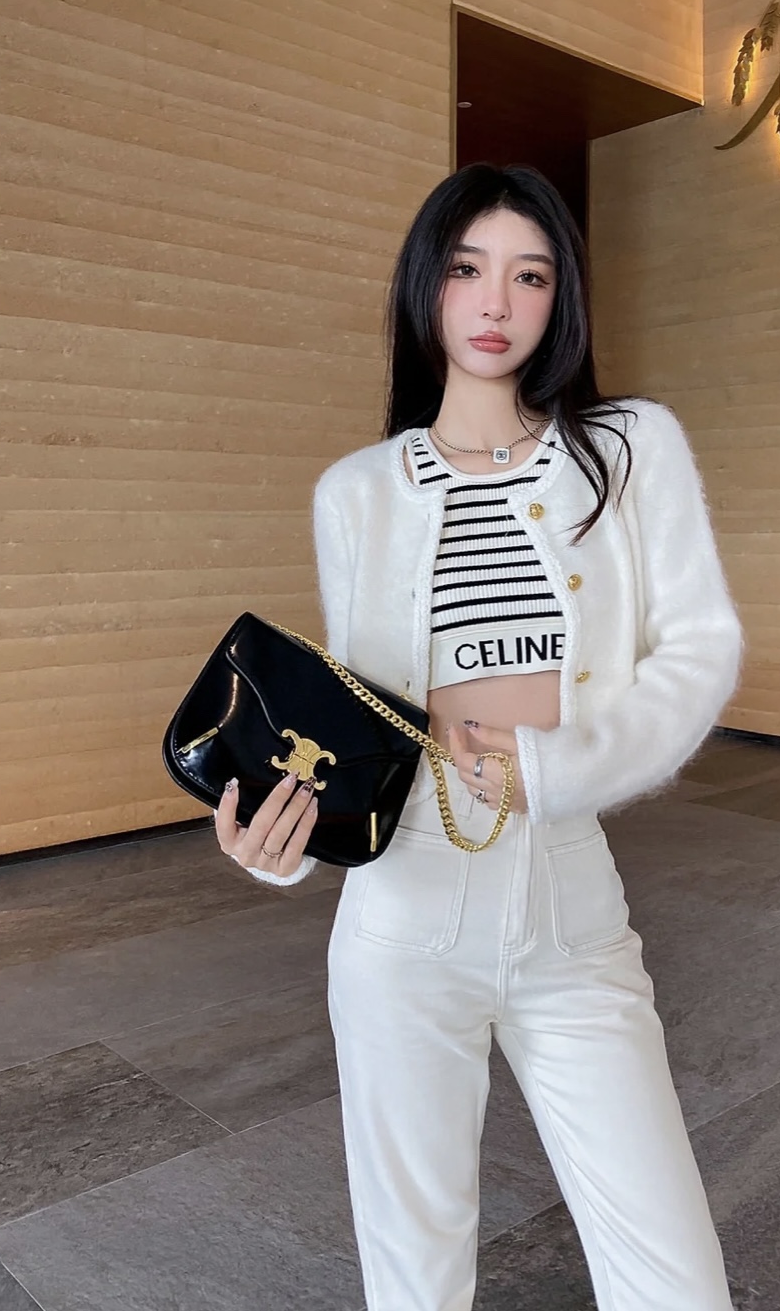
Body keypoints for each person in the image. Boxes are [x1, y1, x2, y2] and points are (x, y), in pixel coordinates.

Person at [213, 162, 743, 1310]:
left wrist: (556, 768)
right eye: (467, 269)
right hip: (401, 911)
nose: (496, 301)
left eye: (530, 275)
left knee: (677, 1279)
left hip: (571, 901)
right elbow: (357, 717)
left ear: (562, 299)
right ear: (427, 286)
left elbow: (699, 646)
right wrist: (290, 839)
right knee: (414, 1275)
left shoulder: (627, 448)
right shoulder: (357, 492)